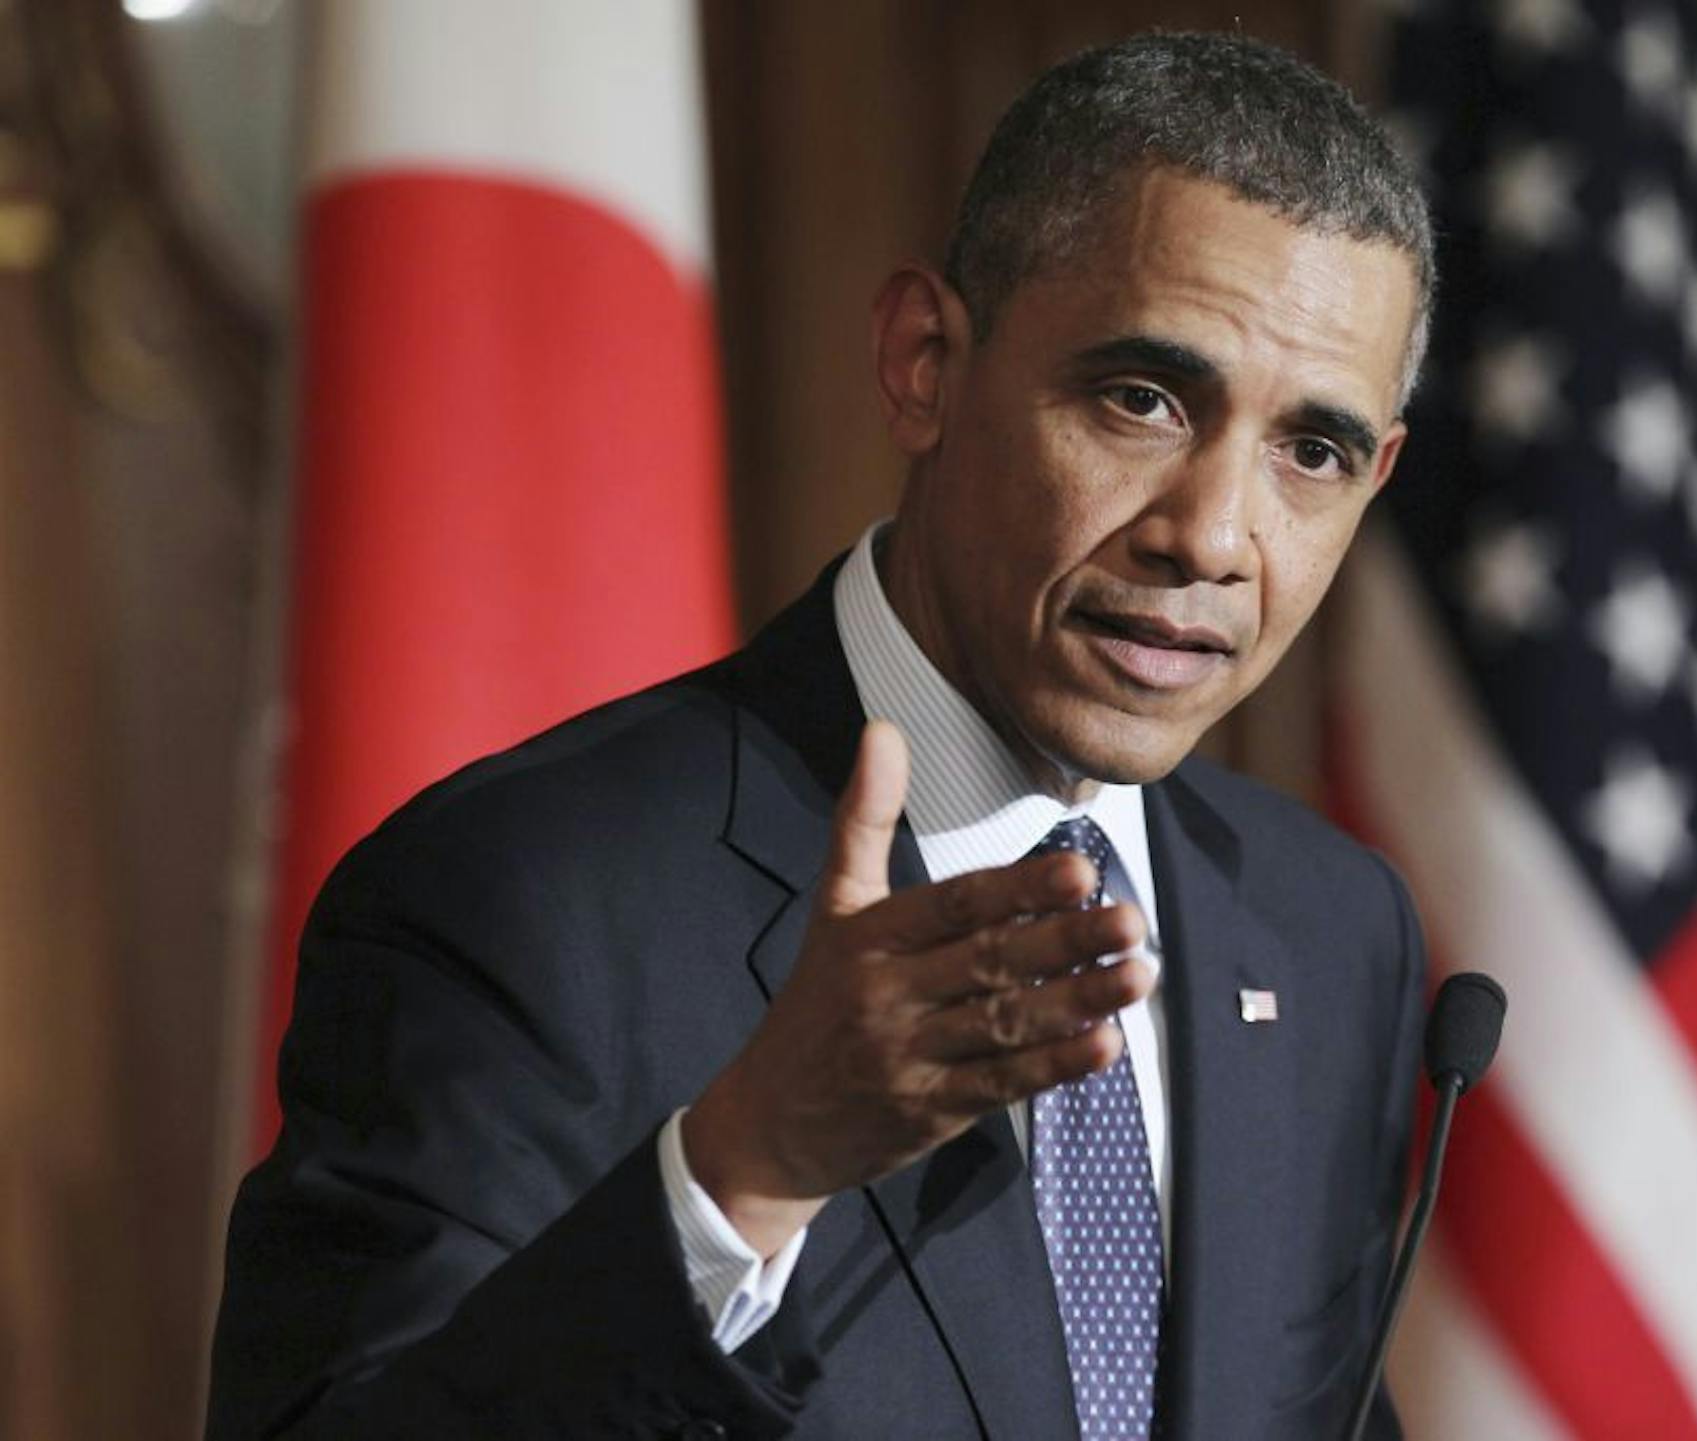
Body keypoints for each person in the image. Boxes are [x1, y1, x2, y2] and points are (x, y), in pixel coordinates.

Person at [209, 30, 1436, 1441]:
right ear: (924, 362)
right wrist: (743, 1169)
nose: (1213, 535)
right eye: (1141, 398)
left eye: (1312, 451)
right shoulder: (524, 893)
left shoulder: (1329, 930)